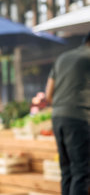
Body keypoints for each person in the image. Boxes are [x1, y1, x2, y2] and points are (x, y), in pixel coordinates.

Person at [45, 31, 90, 195]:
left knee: (67, 171)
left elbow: (48, 94)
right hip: (79, 118)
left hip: (57, 118)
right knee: (81, 171)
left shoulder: (62, 57)